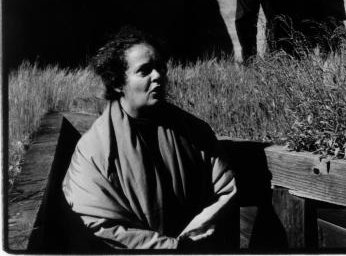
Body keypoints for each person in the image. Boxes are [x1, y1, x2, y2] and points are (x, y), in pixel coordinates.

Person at [62, 28, 237, 250]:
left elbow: (224, 189)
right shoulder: (93, 150)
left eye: (160, 67)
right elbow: (98, 223)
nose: (158, 76)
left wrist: (189, 240)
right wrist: (171, 248)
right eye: (144, 71)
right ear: (117, 83)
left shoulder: (195, 131)